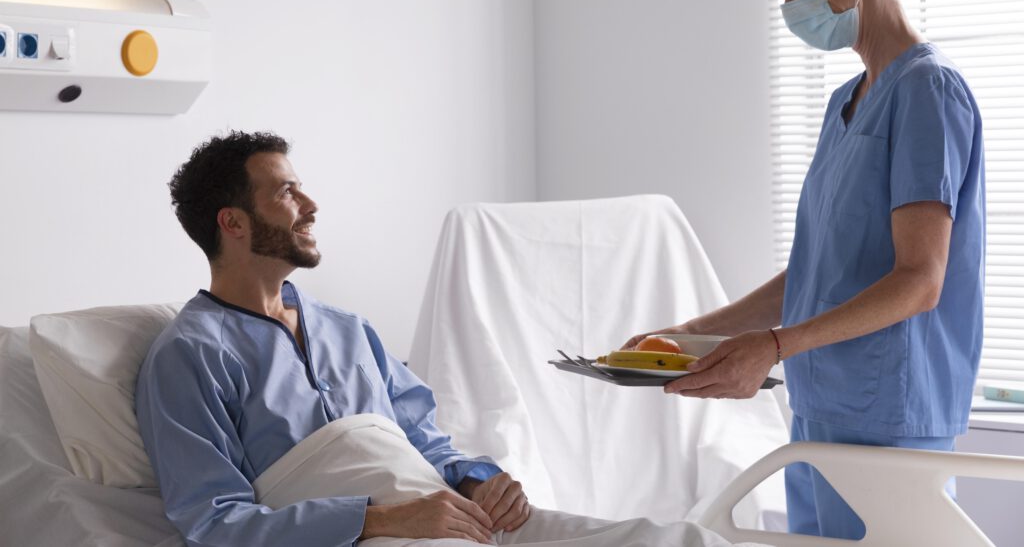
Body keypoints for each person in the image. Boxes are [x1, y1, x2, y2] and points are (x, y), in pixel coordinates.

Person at [136, 131, 755, 547]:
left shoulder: (350, 332)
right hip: (368, 536)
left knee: (679, 540)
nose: (311, 204)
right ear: (234, 223)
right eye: (286, 192)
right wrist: (380, 520)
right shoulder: (191, 357)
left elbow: (426, 442)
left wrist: (478, 481)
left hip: (451, 517)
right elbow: (215, 523)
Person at [625, 0, 985, 540]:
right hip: (820, 407)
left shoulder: (928, 92)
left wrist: (772, 346)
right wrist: (688, 336)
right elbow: (817, 274)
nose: (792, 11)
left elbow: (920, 279)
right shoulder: (846, 102)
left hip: (889, 415)